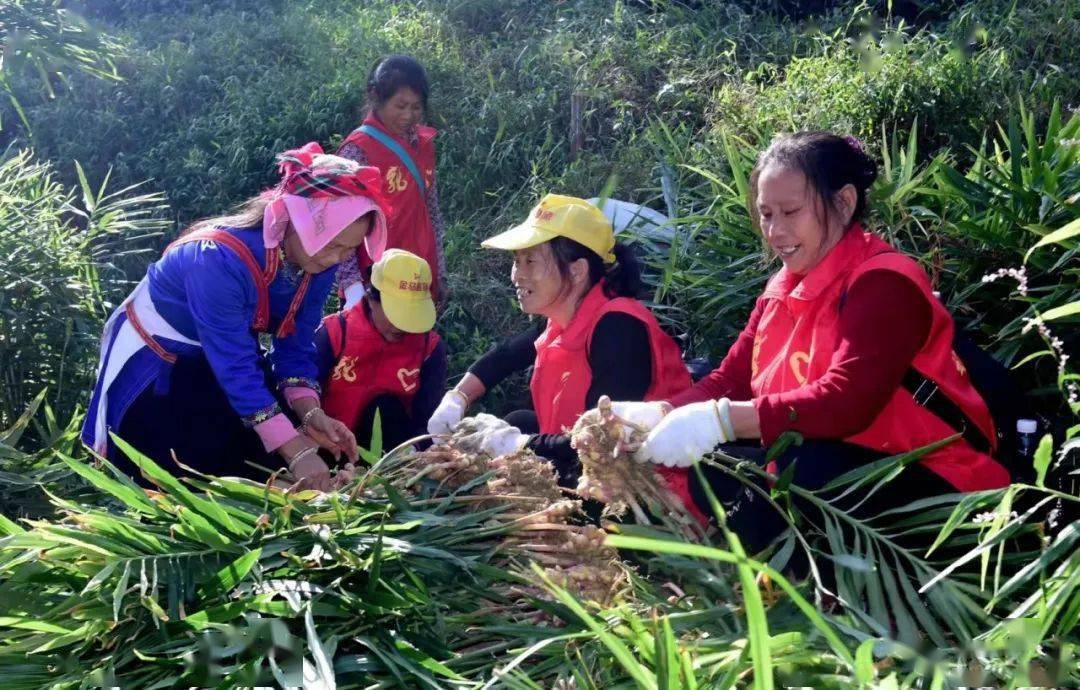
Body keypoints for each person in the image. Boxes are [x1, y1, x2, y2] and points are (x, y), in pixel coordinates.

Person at [616, 131, 1011, 546]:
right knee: (716, 466)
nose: (775, 230)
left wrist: (723, 420)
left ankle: (854, 592)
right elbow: (729, 380)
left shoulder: (883, 282)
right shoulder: (780, 290)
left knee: (799, 468)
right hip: (846, 470)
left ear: (844, 203)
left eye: (791, 211)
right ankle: (792, 582)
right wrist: (658, 414)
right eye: (766, 214)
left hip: (940, 480)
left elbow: (846, 403)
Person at [82, 143, 389, 491]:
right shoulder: (216, 260)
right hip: (163, 367)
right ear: (299, 220)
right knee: (190, 472)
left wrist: (310, 414)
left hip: (225, 360)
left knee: (279, 454)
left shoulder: (316, 267)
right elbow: (235, 364)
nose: (338, 259)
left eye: (348, 250)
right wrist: (294, 450)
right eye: (333, 245)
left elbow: (296, 346)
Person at [426, 194, 691, 487]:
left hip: (639, 488)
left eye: (530, 261)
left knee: (514, 440)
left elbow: (598, 444)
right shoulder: (562, 319)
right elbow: (505, 356)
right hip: (583, 468)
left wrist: (517, 444)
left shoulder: (619, 329)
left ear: (577, 270)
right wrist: (457, 398)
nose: (517, 275)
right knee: (519, 419)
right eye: (516, 261)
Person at [336, 54, 447, 306]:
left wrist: (439, 269)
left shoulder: (423, 143)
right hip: (376, 281)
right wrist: (353, 288)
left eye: (416, 107)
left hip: (419, 271)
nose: (408, 115)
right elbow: (341, 225)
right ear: (377, 99)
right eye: (400, 106)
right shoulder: (358, 151)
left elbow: (432, 209)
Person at [315, 249, 446, 451]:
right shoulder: (334, 334)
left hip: (391, 458)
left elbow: (427, 423)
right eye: (396, 313)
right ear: (371, 299)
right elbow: (301, 400)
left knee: (386, 406)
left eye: (411, 315)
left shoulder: (429, 350)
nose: (402, 326)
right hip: (327, 447)